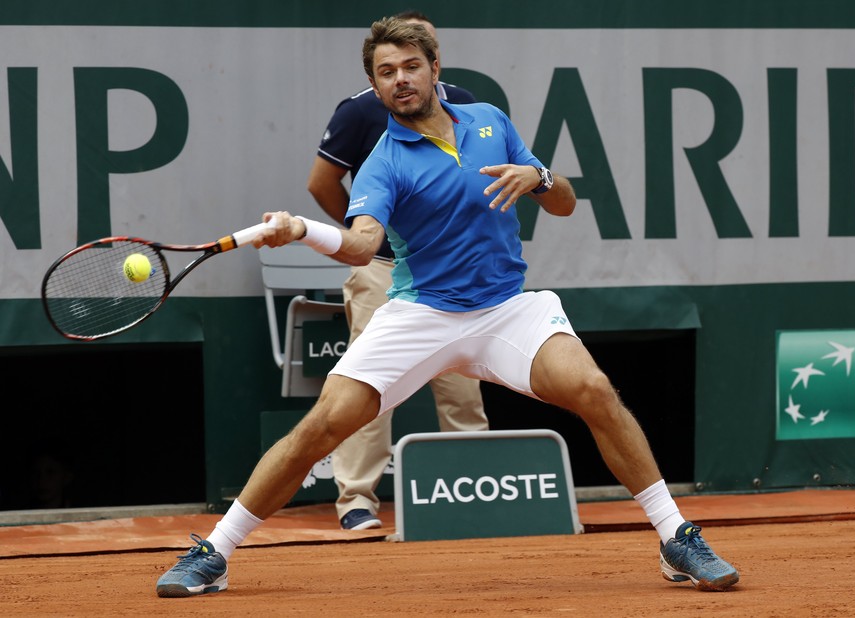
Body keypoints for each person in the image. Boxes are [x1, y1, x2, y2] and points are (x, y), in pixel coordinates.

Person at [156, 17, 739, 597]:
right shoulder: (384, 161)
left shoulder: (490, 120)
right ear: (375, 86)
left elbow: (563, 202)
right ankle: (215, 551)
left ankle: (675, 536)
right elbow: (362, 245)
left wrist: (536, 175)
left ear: (436, 69)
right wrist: (303, 227)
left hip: (507, 309)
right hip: (421, 314)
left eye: (411, 67)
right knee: (321, 427)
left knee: (594, 390)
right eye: (386, 73)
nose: (401, 80)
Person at [307, 9, 488, 532]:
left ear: (434, 59)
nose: (405, 74)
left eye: (418, 55)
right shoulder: (361, 111)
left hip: (453, 278)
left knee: (462, 391)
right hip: (381, 272)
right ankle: (357, 502)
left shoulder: (472, 108)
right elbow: (321, 181)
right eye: (393, 65)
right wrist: (365, 233)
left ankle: (481, 495)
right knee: (369, 389)